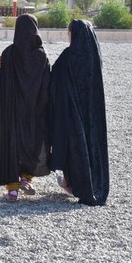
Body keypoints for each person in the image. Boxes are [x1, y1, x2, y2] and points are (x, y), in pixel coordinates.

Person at [50, 19, 109, 206]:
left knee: (74, 148)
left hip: (71, 114)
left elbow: (53, 78)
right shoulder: (93, 58)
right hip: (92, 114)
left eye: (69, 33)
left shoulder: (69, 56)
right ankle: (92, 182)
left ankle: (76, 184)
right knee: (92, 147)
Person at [0, 14, 50, 202]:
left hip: (12, 111)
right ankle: (26, 178)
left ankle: (12, 189)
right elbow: (46, 85)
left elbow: (2, 83)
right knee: (33, 142)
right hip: (34, 110)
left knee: (12, 143)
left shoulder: (10, 53)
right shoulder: (41, 55)